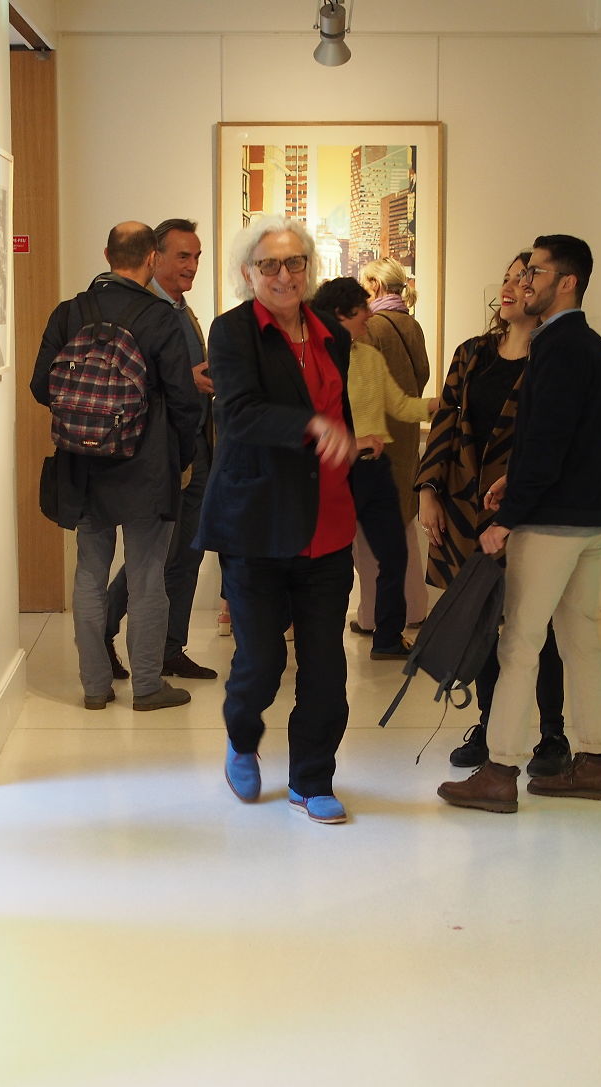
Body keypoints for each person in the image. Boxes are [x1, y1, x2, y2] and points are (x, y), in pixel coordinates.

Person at [437, 235, 601, 813]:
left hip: (551, 524)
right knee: (580, 640)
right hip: (590, 520)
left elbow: (548, 442)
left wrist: (509, 515)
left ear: (566, 282)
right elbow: (575, 443)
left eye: (536, 272)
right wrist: (512, 480)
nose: (524, 281)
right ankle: (595, 762)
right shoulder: (595, 349)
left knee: (519, 643)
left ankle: (499, 772)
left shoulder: (557, 348)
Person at [197, 216, 358, 824]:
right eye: (270, 264)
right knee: (261, 663)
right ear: (249, 273)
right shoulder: (232, 331)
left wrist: (352, 446)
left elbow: (341, 411)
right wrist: (311, 426)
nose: (284, 275)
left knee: (326, 671)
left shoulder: (330, 333)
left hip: (327, 522)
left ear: (309, 268)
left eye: (295, 262)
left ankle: (311, 780)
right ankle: (242, 738)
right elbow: (238, 414)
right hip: (257, 524)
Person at [30, 221, 203, 712]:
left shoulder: (69, 312)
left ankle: (94, 686)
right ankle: (147, 687)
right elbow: (183, 400)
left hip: (82, 462)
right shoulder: (159, 317)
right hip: (146, 465)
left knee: (89, 570)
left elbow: (41, 387)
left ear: (107, 254)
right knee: (147, 575)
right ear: (152, 258)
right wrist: (181, 457)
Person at [416, 251, 569, 773]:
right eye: (505, 278)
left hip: (526, 508)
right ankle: (487, 725)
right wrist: (428, 490)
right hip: (464, 507)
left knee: (534, 625)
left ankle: (552, 734)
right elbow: (445, 421)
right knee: (480, 620)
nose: (509, 287)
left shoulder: (550, 359)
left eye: (522, 278)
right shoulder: (472, 353)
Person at [103, 219, 218, 682]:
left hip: (196, 447)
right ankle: (102, 630)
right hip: (161, 452)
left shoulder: (181, 310)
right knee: (155, 557)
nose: (192, 265)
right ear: (155, 256)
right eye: (182, 256)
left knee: (187, 553)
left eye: (196, 257)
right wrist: (185, 382)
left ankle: (171, 648)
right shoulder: (146, 311)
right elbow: (123, 380)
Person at [311, 276, 439, 659]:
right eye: (361, 310)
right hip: (335, 471)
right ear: (339, 315)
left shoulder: (368, 356)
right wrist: (353, 441)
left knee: (395, 553)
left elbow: (399, 405)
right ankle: (319, 641)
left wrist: (436, 405)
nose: (369, 314)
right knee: (331, 563)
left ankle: (387, 638)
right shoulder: (314, 360)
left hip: (374, 470)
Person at [354, 255, 432, 633]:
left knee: (369, 536)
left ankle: (373, 615)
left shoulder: (373, 327)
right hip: (405, 436)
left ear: (376, 286)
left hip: (376, 438)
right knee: (403, 526)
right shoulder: (411, 325)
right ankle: (414, 608)